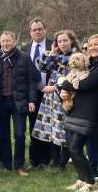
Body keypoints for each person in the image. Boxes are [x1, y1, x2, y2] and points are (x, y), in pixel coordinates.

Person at [58, 34, 98, 192]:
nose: (93, 47)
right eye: (90, 45)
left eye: (97, 44)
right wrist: (64, 92)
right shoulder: (90, 65)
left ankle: (91, 183)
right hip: (75, 109)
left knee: (75, 147)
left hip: (90, 111)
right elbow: (74, 84)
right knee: (70, 146)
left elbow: (85, 84)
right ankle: (82, 179)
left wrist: (63, 84)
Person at [0, 31, 37, 175]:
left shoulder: (24, 57)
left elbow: (31, 81)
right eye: (3, 41)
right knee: (3, 135)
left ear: (14, 41)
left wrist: (31, 100)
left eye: (8, 41)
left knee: (20, 134)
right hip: (0, 101)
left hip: (19, 102)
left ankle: (19, 165)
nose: (5, 44)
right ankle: (7, 164)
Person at [32, 30, 80, 169]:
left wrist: (53, 88)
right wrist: (52, 53)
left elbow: (73, 78)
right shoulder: (55, 55)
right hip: (51, 99)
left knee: (64, 129)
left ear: (71, 40)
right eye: (60, 41)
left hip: (67, 97)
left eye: (65, 40)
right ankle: (55, 161)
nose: (63, 43)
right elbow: (42, 67)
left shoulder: (76, 57)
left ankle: (62, 162)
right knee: (52, 128)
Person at [21, 18, 53, 169]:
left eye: (40, 29)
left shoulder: (53, 45)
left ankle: (46, 159)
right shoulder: (25, 48)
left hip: (51, 93)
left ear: (45, 29)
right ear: (30, 32)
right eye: (34, 29)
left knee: (48, 125)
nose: (37, 32)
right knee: (34, 125)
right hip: (32, 93)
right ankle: (34, 160)